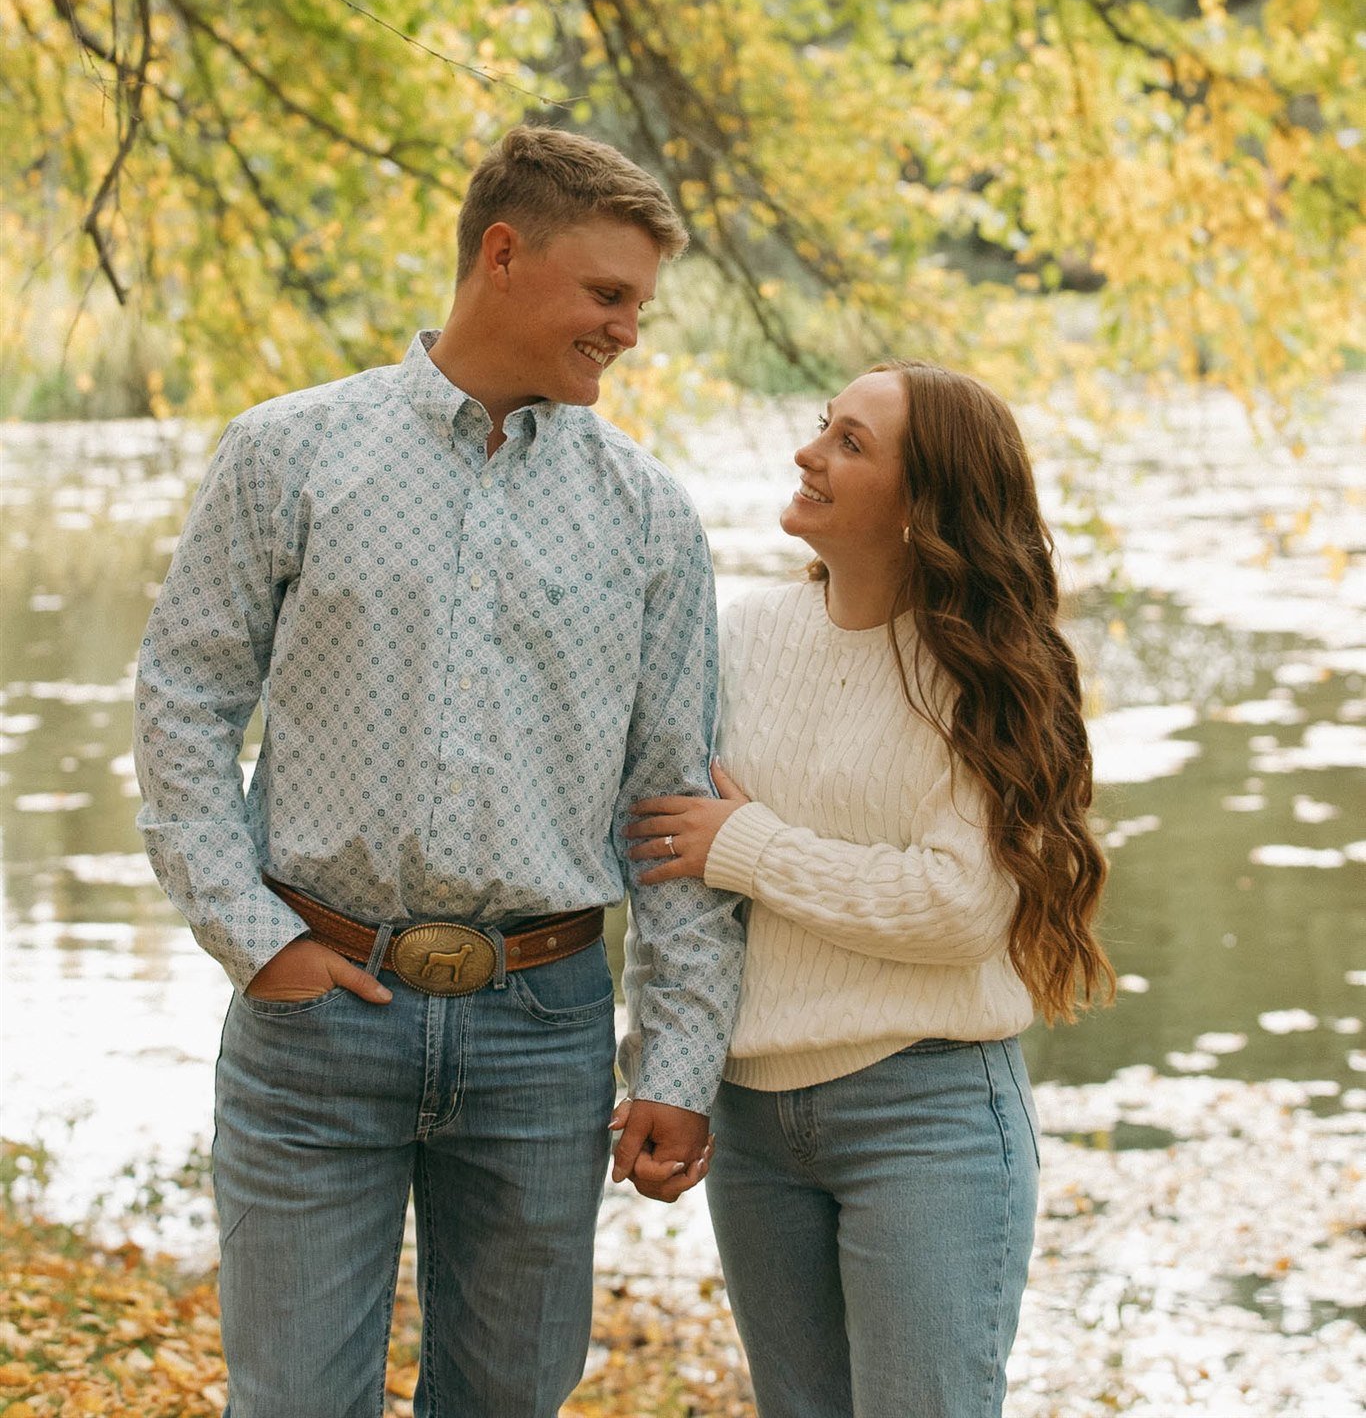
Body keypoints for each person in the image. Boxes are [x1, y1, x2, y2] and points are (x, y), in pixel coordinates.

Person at [133, 125, 743, 1418]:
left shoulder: (648, 517)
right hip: (315, 1009)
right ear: (502, 257)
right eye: (608, 294)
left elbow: (674, 806)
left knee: (508, 1405)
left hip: (543, 1027)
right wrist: (256, 941)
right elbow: (184, 704)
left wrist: (674, 1063)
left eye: (638, 302)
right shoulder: (287, 456)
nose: (628, 329)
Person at [628, 361, 1113, 1418]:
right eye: (822, 426)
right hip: (754, 1118)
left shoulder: (986, 671)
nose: (810, 451)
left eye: (852, 442)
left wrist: (748, 842)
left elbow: (957, 907)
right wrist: (667, 1065)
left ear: (924, 506)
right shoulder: (738, 637)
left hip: (925, 1113)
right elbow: (678, 867)